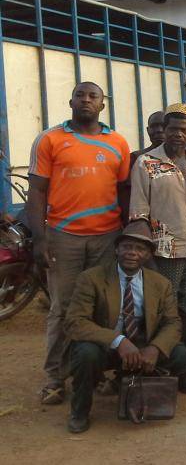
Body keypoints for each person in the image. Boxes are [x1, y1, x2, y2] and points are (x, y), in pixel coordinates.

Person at [28, 81, 132, 405]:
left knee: (103, 308)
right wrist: (39, 238)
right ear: (70, 100)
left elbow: (124, 192)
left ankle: (96, 372)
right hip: (64, 238)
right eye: (80, 95)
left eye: (93, 96)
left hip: (106, 237)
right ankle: (55, 378)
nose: (86, 100)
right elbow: (37, 192)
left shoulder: (117, 143)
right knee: (63, 309)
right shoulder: (50, 139)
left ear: (103, 105)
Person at [64, 221, 186, 433]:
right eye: (127, 246)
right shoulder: (91, 278)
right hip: (107, 345)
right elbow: (75, 321)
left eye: (140, 248)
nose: (132, 253)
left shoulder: (160, 283)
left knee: (180, 354)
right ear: (116, 249)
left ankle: (141, 382)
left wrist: (155, 348)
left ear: (148, 255)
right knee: (85, 354)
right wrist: (118, 341)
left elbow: (173, 323)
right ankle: (79, 411)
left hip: (143, 345)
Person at [129, 103, 186, 359]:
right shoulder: (146, 163)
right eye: (172, 128)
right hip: (161, 254)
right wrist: (147, 258)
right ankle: (163, 362)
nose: (177, 134)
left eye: (184, 130)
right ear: (164, 130)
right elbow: (139, 214)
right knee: (162, 311)